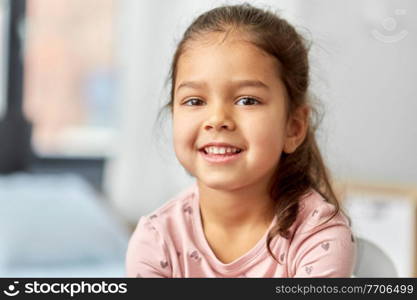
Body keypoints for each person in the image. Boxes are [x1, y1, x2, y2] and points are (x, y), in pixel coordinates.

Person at [125, 3, 356, 278]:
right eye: (195, 100)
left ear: (293, 128)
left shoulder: (319, 235)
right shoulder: (156, 240)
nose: (217, 119)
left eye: (247, 100)